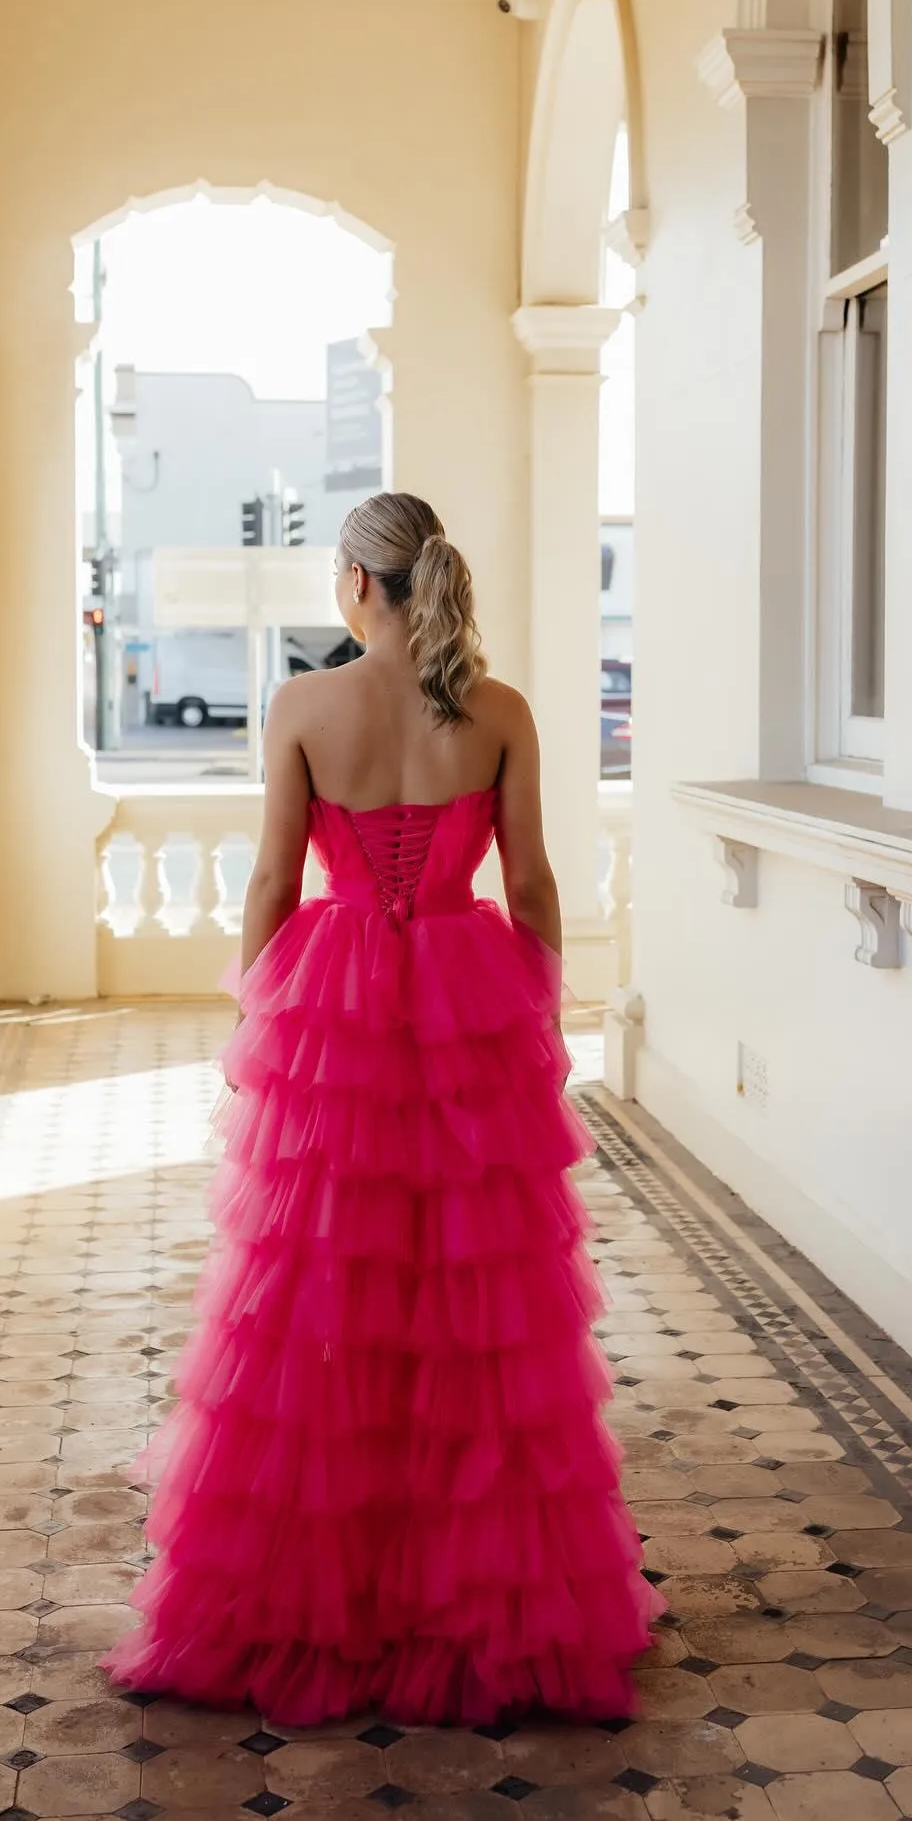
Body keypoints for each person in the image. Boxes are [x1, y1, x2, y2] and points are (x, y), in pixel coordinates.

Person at [105, 492, 658, 1726]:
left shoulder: (305, 705)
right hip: (466, 997)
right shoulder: (500, 711)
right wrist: (541, 1013)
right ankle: (476, 1595)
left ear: (360, 582)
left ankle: (318, 1592)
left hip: (336, 1008)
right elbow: (534, 882)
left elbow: (270, 875)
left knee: (323, 1297)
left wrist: (257, 1013)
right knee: (477, 1310)